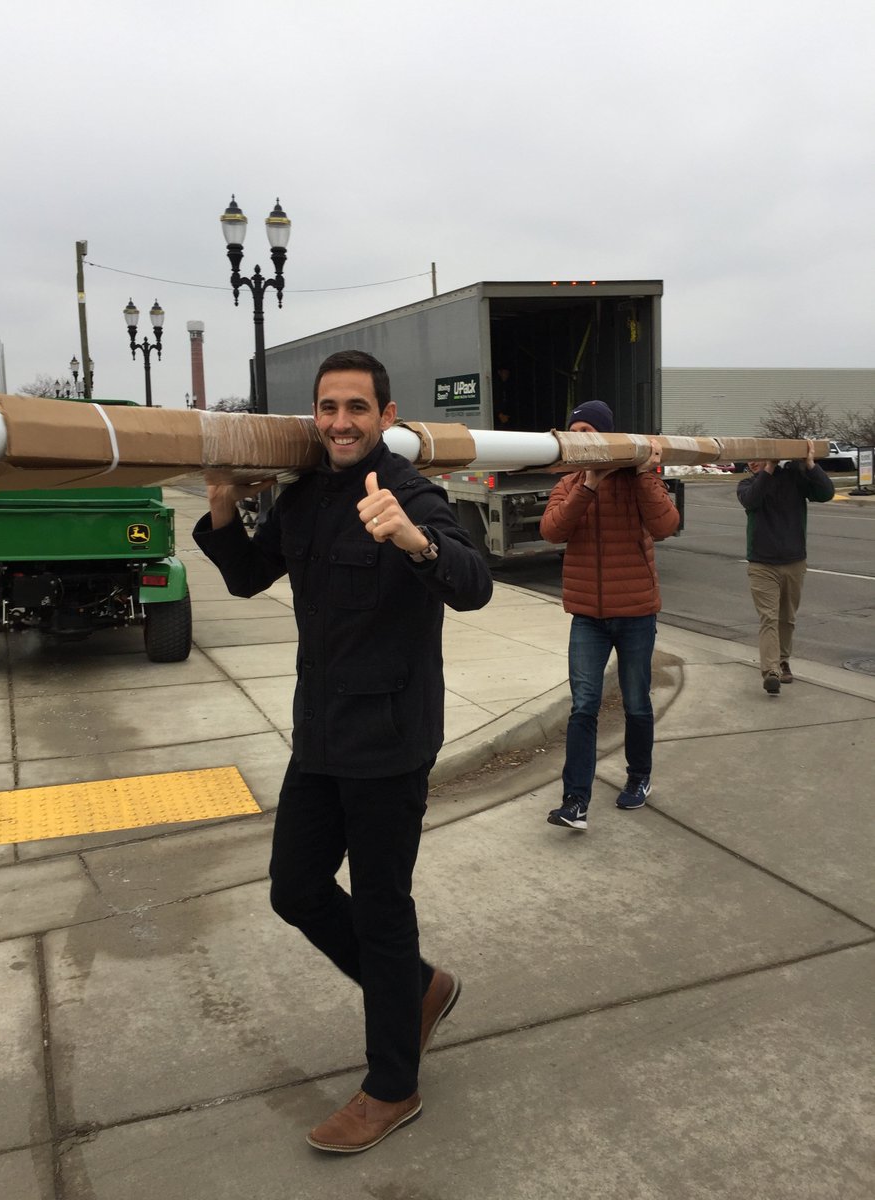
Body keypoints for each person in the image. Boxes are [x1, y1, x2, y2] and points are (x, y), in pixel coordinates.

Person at [193, 349, 493, 1153]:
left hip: (391, 740)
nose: (340, 422)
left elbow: (474, 584)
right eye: (328, 407)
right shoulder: (304, 500)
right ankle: (417, 991)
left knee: (384, 909)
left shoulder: (410, 493)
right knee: (294, 887)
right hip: (320, 733)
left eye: (357, 407)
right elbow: (249, 577)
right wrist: (224, 502)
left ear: (386, 416)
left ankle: (392, 1085)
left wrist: (413, 542)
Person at [540, 399, 680, 831]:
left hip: (636, 611)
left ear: (605, 435)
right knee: (583, 706)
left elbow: (665, 524)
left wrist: (644, 474)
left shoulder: (634, 477)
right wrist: (587, 485)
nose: (579, 438)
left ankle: (639, 778)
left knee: (637, 703)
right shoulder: (570, 482)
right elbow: (552, 531)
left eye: (588, 430)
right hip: (587, 616)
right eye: (574, 430)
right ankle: (575, 801)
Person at [737, 441, 834, 695]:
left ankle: (782, 660)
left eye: (758, 458)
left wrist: (810, 465)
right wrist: (767, 470)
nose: (752, 463)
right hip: (761, 563)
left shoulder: (794, 478)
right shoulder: (747, 485)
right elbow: (752, 500)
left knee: (787, 618)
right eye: (751, 460)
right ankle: (771, 671)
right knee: (769, 617)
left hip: (794, 560)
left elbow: (826, 493)